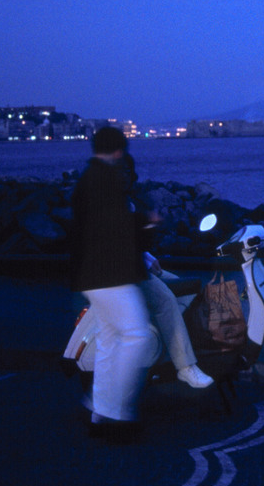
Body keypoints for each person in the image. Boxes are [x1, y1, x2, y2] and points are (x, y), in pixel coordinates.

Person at [68, 128, 209, 443]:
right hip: (113, 276)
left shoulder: (87, 180)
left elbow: (89, 231)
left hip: (91, 277)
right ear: (118, 151)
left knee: (108, 342)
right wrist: (146, 222)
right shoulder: (106, 182)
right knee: (136, 334)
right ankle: (114, 410)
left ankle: (99, 416)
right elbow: (117, 229)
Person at [119, 152, 213, 389]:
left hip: (134, 265)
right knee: (166, 300)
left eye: (127, 172)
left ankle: (169, 346)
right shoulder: (111, 202)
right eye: (121, 172)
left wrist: (148, 256)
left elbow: (131, 239)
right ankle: (185, 366)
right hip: (123, 272)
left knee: (189, 290)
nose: (125, 176)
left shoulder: (124, 201)